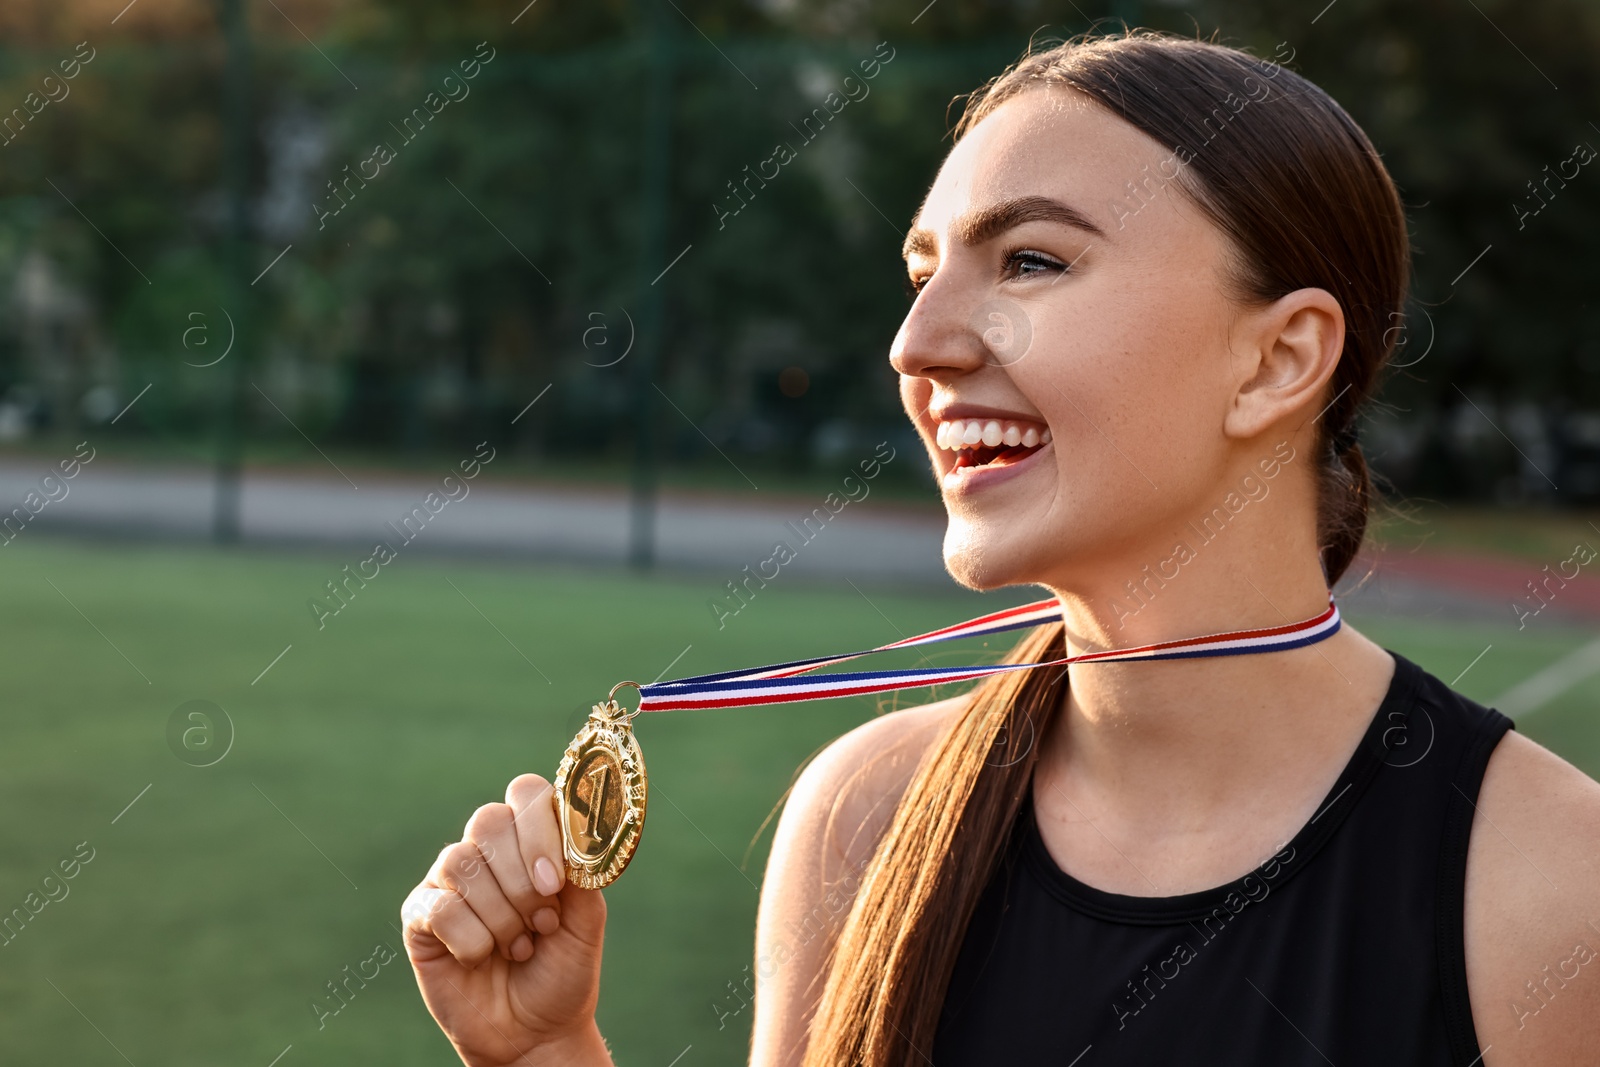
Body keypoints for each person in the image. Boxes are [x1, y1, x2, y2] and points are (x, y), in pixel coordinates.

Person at [402, 31, 1600, 1067]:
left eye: (1030, 261)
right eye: (922, 272)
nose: (914, 344)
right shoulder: (864, 815)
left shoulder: (1549, 891)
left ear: (1278, 360)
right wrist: (548, 1050)